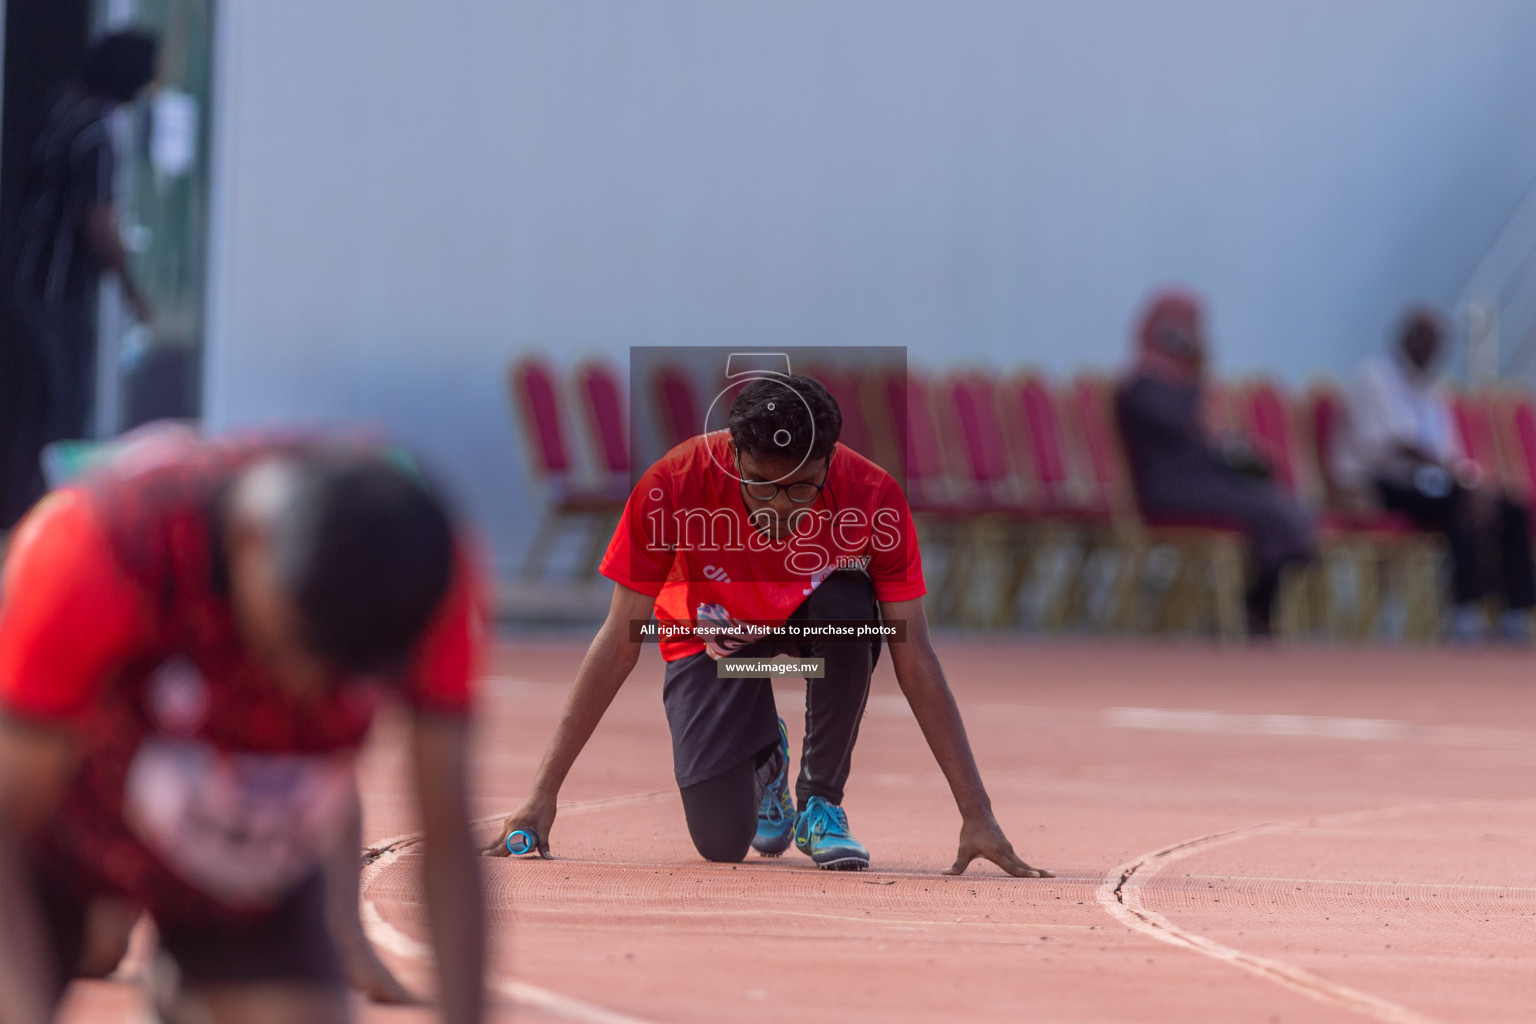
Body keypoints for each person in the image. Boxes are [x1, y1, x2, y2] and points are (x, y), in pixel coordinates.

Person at [0, 427, 486, 1023]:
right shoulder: (101, 547)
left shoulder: (419, 578)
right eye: (293, 647)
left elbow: (446, 828)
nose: (303, 690)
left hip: (248, 859)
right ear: (252, 543)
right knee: (86, 957)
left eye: (342, 678)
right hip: (61, 823)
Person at [487, 372, 1051, 879]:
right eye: (760, 483)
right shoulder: (673, 485)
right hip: (714, 636)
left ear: (831, 459)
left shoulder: (873, 496)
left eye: (802, 487)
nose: (779, 507)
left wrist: (977, 814)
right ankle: (766, 755)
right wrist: (542, 794)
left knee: (853, 614)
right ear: (733, 454)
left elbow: (916, 656)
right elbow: (617, 643)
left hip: (809, 624)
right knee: (721, 843)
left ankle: (820, 802)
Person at [0, 29, 159, 528]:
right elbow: (97, 222)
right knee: (65, 407)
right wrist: (133, 288)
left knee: (37, 404)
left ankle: (24, 508)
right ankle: (57, 518)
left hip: (25, 279)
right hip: (55, 289)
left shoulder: (61, 107)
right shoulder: (94, 131)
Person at [1114, 288, 1316, 635]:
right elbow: (1175, 426)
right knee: (1272, 512)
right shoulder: (1142, 385)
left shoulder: (1183, 383)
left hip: (1203, 479)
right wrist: (1198, 371)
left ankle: (1255, 607)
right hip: (1170, 488)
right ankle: (1254, 612)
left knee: (1285, 507)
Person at [1333, 308, 1535, 642]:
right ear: (1406, 340)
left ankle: (1517, 613)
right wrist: (1459, 481)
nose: (1433, 350)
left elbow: (1449, 453)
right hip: (1378, 483)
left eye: (1439, 344)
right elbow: (1388, 445)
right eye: (1427, 341)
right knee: (1458, 505)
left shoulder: (1434, 388)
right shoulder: (1373, 377)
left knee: (1511, 509)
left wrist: (1472, 482)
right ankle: (1465, 612)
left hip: (1430, 484)